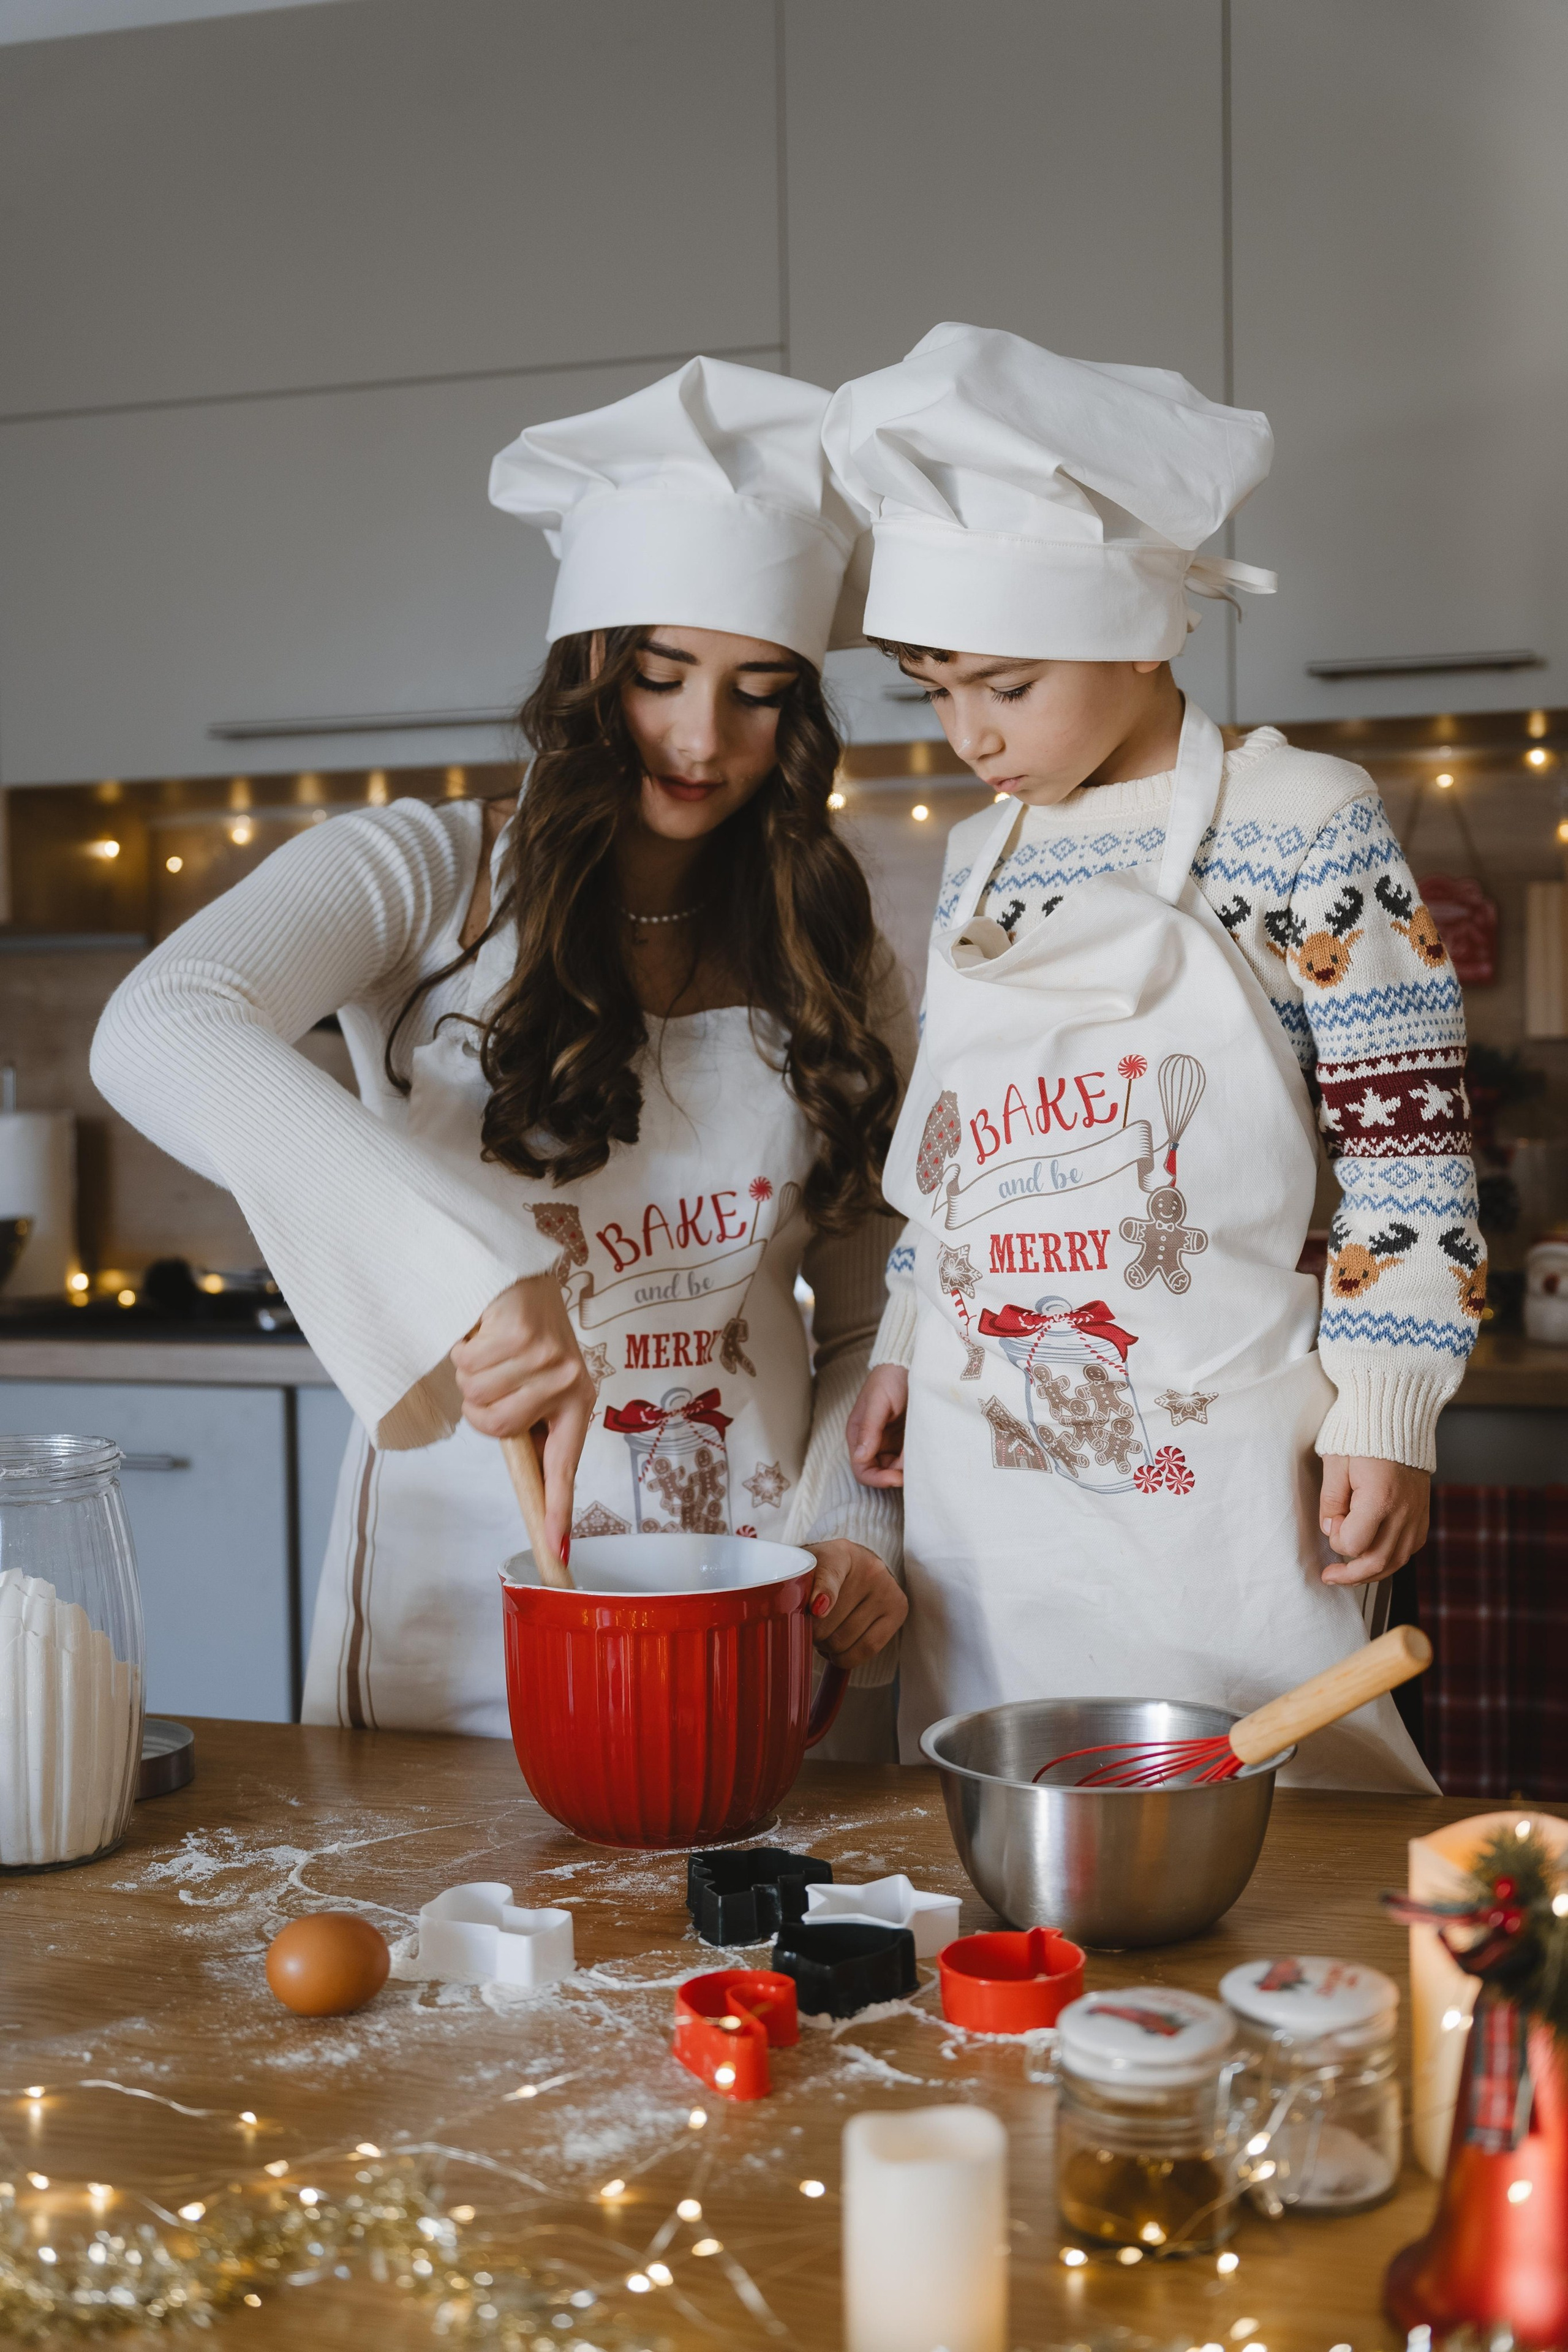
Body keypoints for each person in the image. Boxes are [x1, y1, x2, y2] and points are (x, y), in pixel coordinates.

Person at [93, 357, 911, 1747]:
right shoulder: (423, 872)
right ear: (587, 662)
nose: (702, 739)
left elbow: (868, 1308)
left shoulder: (833, 950)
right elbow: (157, 1030)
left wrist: (850, 1536)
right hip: (455, 1607)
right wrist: (473, 1283)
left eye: (759, 691)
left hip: (750, 1605)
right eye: (660, 677)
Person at [827, 324, 1483, 1789]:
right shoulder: (975, 856)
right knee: (1007, 1807)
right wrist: (898, 1341)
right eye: (935, 693)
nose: (967, 738)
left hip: (1226, 1455)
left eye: (1002, 685)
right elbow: (952, 1156)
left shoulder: (1298, 817)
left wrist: (1389, 1411)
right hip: (984, 1461)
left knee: (1273, 1816)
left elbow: (1407, 1153)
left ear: (1137, 632)